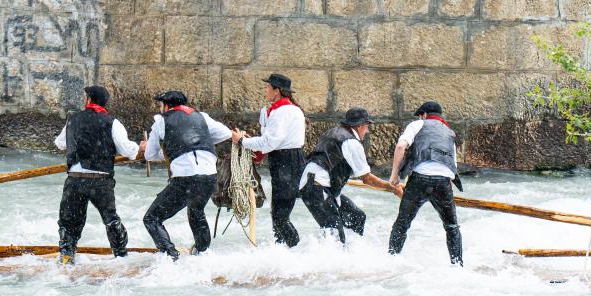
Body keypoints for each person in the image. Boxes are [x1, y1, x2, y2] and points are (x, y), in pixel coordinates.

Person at [138, 90, 233, 260]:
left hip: (186, 179)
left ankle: (171, 256)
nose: (160, 109)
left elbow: (149, 155)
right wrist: (200, 143)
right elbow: (226, 133)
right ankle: (202, 254)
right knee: (196, 211)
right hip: (210, 176)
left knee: (152, 218)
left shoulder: (160, 121)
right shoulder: (201, 116)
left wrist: (164, 149)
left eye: (160, 105)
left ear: (166, 105)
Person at [53, 85, 141, 265]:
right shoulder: (111, 122)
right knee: (110, 220)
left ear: (89, 99)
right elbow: (128, 150)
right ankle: (121, 256)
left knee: (68, 222)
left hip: (75, 178)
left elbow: (60, 143)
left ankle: (67, 257)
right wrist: (140, 147)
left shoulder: (73, 120)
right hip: (100, 179)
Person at [299, 107, 402, 243]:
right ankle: (334, 257)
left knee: (357, 217)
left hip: (317, 185)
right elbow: (367, 178)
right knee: (335, 235)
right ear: (359, 126)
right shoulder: (352, 142)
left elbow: (338, 167)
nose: (367, 130)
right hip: (316, 187)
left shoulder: (332, 133)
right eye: (366, 126)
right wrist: (392, 188)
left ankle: (351, 251)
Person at [231, 73, 305, 248]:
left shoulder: (281, 112)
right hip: (290, 161)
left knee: (280, 217)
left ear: (277, 91)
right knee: (278, 214)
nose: (265, 90)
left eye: (267, 87)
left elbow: (270, 142)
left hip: (286, 163)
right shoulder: (291, 109)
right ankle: (282, 251)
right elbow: (270, 140)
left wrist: (242, 141)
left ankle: (297, 251)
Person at [387, 101, 464, 265]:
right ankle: (457, 266)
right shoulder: (449, 132)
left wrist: (394, 175)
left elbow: (401, 146)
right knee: (451, 227)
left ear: (423, 115)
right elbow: (453, 165)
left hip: (419, 179)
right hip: (443, 181)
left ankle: (391, 261)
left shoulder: (417, 124)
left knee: (402, 224)